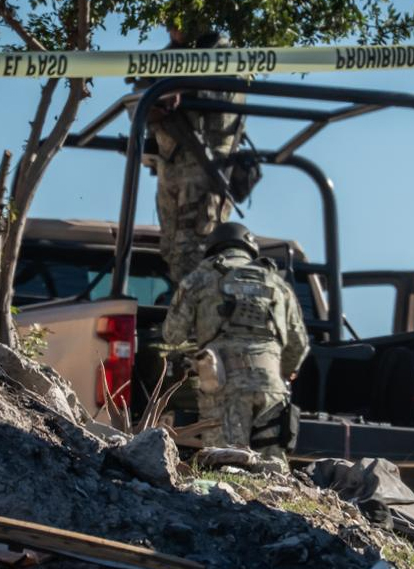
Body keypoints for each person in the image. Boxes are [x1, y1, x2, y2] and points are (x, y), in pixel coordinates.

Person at [162, 222, 309, 459]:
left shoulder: (200, 277)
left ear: (213, 249)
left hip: (223, 385)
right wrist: (286, 371)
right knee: (273, 473)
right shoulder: (278, 284)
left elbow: (172, 334)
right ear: (250, 249)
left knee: (226, 466)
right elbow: (299, 344)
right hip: (272, 388)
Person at [135, 22, 247, 283]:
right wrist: (153, 102)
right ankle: (180, 312)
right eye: (169, 21)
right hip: (171, 163)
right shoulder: (163, 58)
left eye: (180, 18)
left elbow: (226, 89)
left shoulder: (222, 51)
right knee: (172, 249)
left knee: (196, 251)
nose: (173, 27)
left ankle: (193, 313)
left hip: (206, 166)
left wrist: (181, 91)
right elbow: (138, 101)